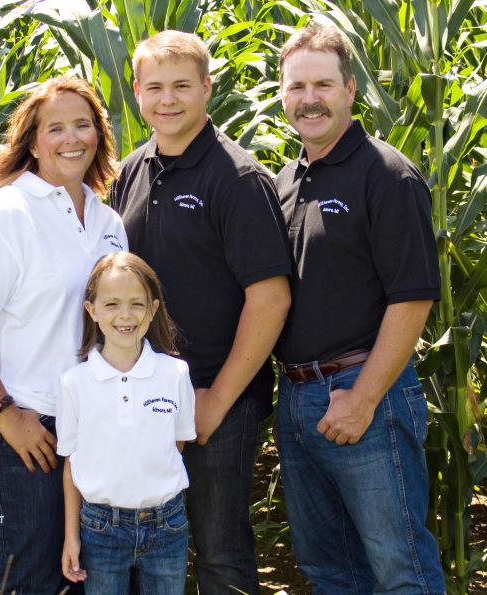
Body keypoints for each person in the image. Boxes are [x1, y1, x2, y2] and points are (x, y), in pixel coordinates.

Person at [0, 76, 128, 595]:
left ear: (98, 135)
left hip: (97, 432)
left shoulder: (109, 221)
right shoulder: (4, 215)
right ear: (32, 141)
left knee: (92, 575)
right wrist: (3, 415)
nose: (71, 138)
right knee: (31, 574)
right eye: (55, 128)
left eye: (82, 125)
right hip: (27, 430)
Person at [111, 30, 292, 594]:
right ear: (137, 93)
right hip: (141, 399)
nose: (168, 100)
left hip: (218, 399)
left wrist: (215, 399)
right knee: (140, 548)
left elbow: (270, 297)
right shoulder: (132, 171)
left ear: (207, 89)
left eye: (182, 86)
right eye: (155, 87)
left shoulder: (235, 178)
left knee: (219, 554)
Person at [273, 21, 446, 594]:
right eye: (296, 87)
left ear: (350, 88)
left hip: (364, 397)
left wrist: (365, 397)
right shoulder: (286, 182)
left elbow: (413, 296)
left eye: (322, 85)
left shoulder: (386, 174)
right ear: (281, 93)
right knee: (331, 573)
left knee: (401, 571)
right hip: (298, 398)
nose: (309, 100)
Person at [58, 252, 196, 594]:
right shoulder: (74, 383)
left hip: (168, 526)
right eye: (112, 304)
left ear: (153, 309)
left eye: (137, 304)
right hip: (100, 528)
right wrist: (71, 536)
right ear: (92, 311)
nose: (125, 315)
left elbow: (175, 445)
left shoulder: (174, 374)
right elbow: (71, 465)